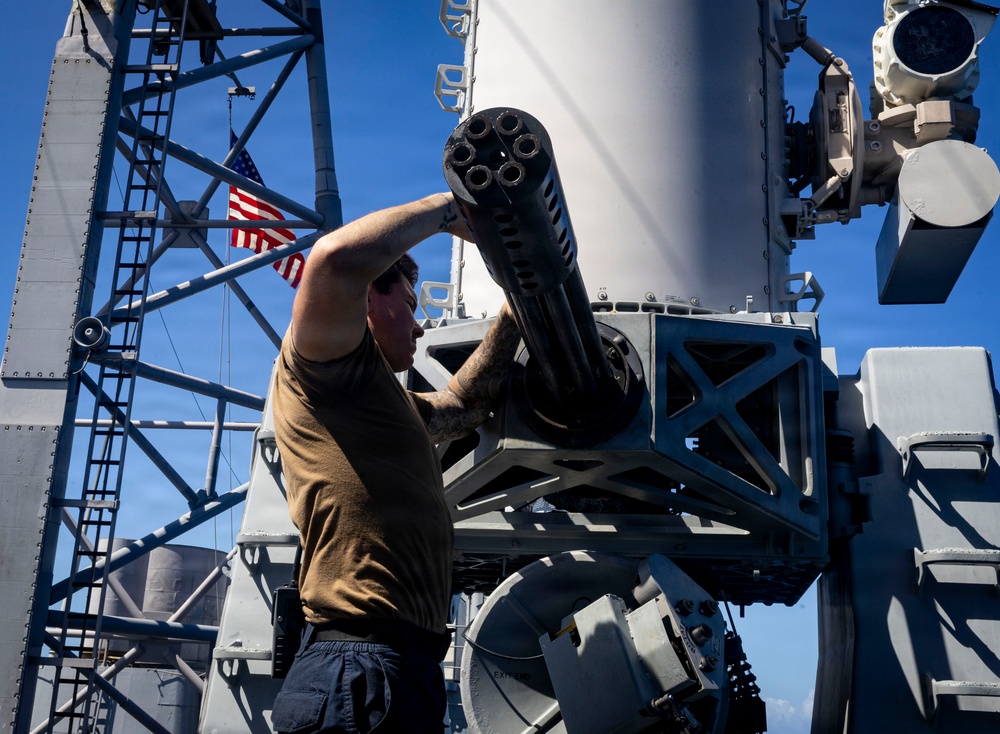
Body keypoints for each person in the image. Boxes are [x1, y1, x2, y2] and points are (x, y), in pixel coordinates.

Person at [269, 192, 520, 734]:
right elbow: (334, 260)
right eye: (410, 304)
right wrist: (457, 208)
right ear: (366, 300)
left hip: (400, 668)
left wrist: (516, 307)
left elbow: (462, 407)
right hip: (354, 669)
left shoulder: (384, 402)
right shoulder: (321, 363)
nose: (421, 325)